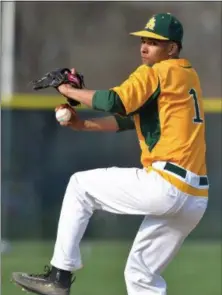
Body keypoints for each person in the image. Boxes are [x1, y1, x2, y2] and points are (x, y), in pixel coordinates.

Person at [12, 12, 209, 295]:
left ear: (172, 48)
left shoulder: (156, 72)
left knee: (80, 186)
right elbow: (129, 119)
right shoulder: (187, 76)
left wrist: (67, 89)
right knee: (141, 275)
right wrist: (82, 124)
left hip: (167, 184)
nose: (144, 47)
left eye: (153, 42)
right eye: (143, 40)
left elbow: (115, 101)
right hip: (194, 197)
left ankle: (59, 276)